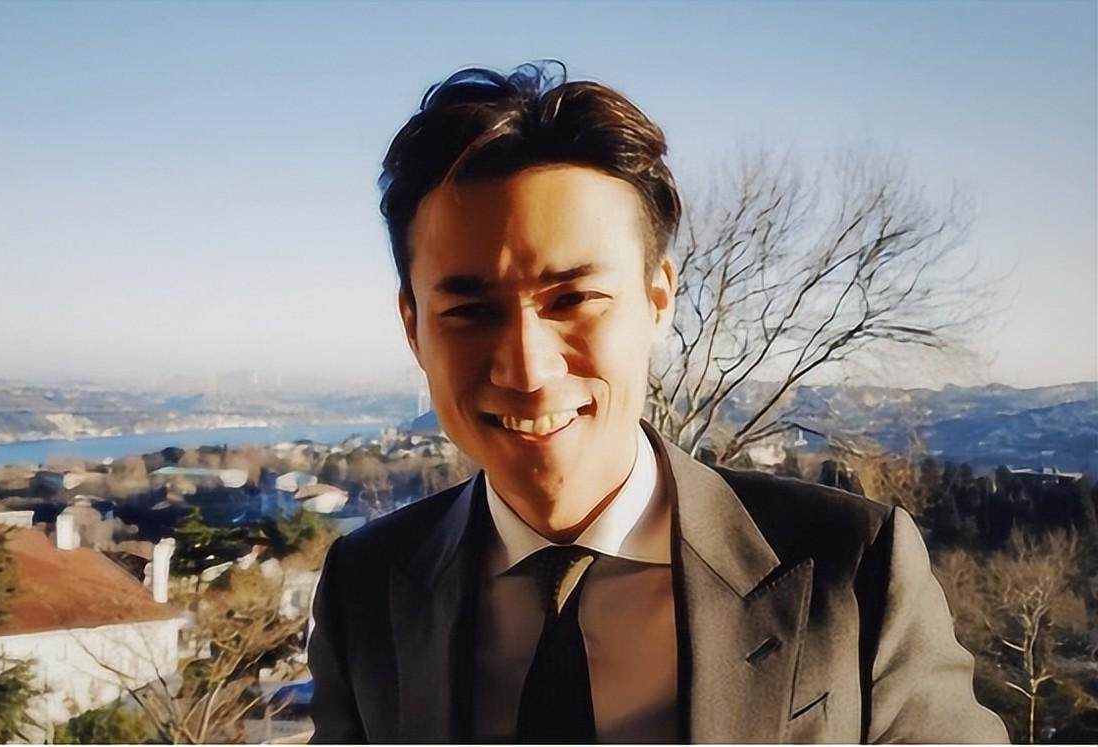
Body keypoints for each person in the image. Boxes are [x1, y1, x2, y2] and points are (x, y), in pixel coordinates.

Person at [308, 61, 1008, 744]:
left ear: (656, 299)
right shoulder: (365, 589)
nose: (526, 367)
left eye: (574, 299)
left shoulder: (850, 569)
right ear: (413, 326)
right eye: (468, 310)